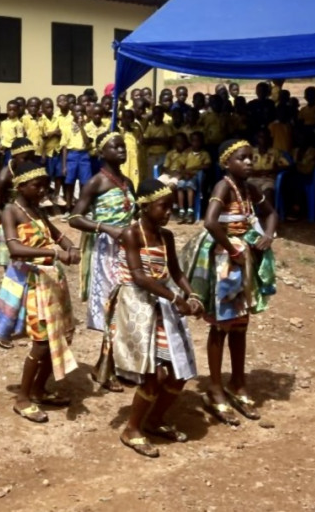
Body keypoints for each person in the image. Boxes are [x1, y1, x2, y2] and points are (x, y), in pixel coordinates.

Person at [183, 139, 278, 426]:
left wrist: (268, 235)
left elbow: (271, 214)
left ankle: (238, 382)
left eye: (251, 158)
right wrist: (233, 249)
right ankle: (214, 388)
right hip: (226, 260)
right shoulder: (223, 186)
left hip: (243, 259)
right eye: (242, 158)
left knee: (241, 323)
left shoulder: (250, 189)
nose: (249, 162)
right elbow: (211, 222)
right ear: (227, 163)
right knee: (221, 325)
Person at [113, 179, 202, 457]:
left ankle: (154, 420)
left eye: (171, 207)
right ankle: (132, 429)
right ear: (144, 206)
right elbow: (139, 276)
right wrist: (176, 298)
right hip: (138, 307)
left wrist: (192, 294)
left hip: (163, 304)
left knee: (178, 373)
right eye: (163, 206)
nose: (168, 213)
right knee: (152, 374)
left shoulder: (167, 237)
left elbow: (176, 271)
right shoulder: (131, 234)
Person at [0, 161, 80, 423]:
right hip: (32, 282)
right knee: (40, 343)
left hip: (52, 281)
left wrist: (71, 246)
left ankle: (39, 389)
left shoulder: (37, 211)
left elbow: (59, 235)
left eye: (44, 186)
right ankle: (23, 398)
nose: (42, 190)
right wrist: (54, 253)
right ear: (21, 186)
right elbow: (15, 249)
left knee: (58, 336)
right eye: (37, 186)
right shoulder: (10, 212)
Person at [69, 132, 136, 393]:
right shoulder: (96, 182)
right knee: (112, 308)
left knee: (126, 306)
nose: (121, 150)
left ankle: (111, 364)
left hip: (126, 249)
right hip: (106, 251)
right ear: (101, 152)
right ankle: (104, 368)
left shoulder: (126, 181)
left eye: (123, 146)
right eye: (115, 147)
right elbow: (75, 217)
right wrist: (105, 228)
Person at [0, 138, 37, 285]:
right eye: (25, 158)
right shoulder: (5, 176)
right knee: (12, 263)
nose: (28, 161)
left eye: (31, 157)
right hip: (6, 219)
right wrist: (11, 224)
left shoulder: (29, 171)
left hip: (25, 218)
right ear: (14, 157)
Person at [178, 132, 211, 224]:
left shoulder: (204, 154)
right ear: (191, 142)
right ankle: (181, 211)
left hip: (197, 177)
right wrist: (185, 173)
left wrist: (193, 169)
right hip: (186, 175)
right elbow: (181, 166)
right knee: (180, 185)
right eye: (193, 141)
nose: (196, 143)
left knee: (189, 185)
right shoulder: (187, 153)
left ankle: (190, 211)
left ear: (202, 142)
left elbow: (207, 165)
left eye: (198, 141)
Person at [248, 129, 289, 201]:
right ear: (257, 138)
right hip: (252, 179)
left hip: (268, 180)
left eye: (265, 137)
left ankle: (267, 212)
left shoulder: (275, 152)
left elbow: (286, 166)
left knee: (268, 192)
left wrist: (273, 170)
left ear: (269, 139)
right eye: (261, 137)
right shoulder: (251, 151)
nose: (263, 140)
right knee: (246, 191)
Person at [143, 105, 174, 178]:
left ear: (163, 115)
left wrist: (153, 140)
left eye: (159, 114)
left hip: (163, 154)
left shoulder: (166, 127)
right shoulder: (150, 127)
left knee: (161, 175)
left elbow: (169, 140)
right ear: (153, 115)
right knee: (151, 175)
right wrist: (160, 140)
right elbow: (145, 140)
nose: (158, 116)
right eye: (156, 114)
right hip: (151, 155)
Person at [118, 108, 145, 187]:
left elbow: (141, 140)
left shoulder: (136, 130)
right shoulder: (120, 131)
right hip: (126, 157)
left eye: (131, 118)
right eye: (126, 118)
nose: (129, 120)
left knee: (135, 176)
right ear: (122, 119)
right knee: (125, 174)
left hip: (135, 157)